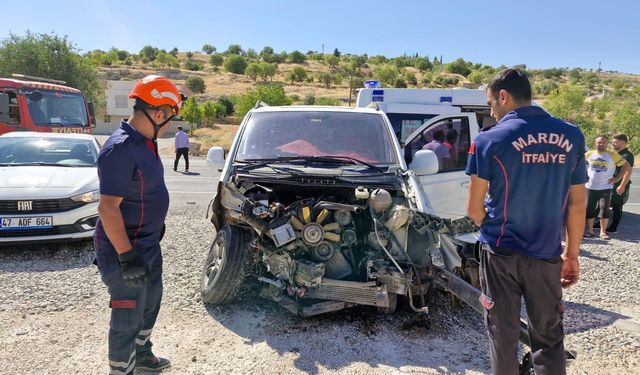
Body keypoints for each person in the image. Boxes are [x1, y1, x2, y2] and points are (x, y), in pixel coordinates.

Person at [466, 68, 587, 375]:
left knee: (502, 335)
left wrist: (491, 232)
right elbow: (577, 205)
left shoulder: (489, 139)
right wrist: (571, 254)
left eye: (491, 103)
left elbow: (474, 209)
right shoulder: (571, 135)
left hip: (500, 253)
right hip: (546, 254)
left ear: (504, 97)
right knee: (548, 338)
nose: (491, 110)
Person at [94, 75, 184, 374]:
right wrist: (126, 256)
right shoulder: (121, 148)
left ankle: (142, 355)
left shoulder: (145, 142)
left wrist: (153, 226)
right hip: (125, 250)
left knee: (150, 303)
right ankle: (121, 370)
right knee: (127, 314)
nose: (170, 123)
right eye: (170, 117)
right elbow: (108, 208)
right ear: (158, 114)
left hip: (146, 243)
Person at [584, 135, 631, 239]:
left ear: (607, 144)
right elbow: (578, 164)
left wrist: (617, 179)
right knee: (589, 209)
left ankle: (602, 232)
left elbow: (626, 166)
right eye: (599, 142)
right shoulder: (588, 154)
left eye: (604, 142)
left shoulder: (612, 155)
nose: (601, 144)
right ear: (595, 143)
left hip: (605, 187)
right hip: (590, 186)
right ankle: (590, 232)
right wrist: (583, 176)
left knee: (604, 209)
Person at [606, 134, 634, 233]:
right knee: (608, 203)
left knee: (616, 206)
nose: (613, 144)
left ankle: (614, 227)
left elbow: (628, 171)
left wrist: (622, 186)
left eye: (615, 142)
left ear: (622, 143)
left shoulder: (627, 155)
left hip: (620, 184)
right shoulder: (618, 153)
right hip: (613, 183)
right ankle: (601, 223)